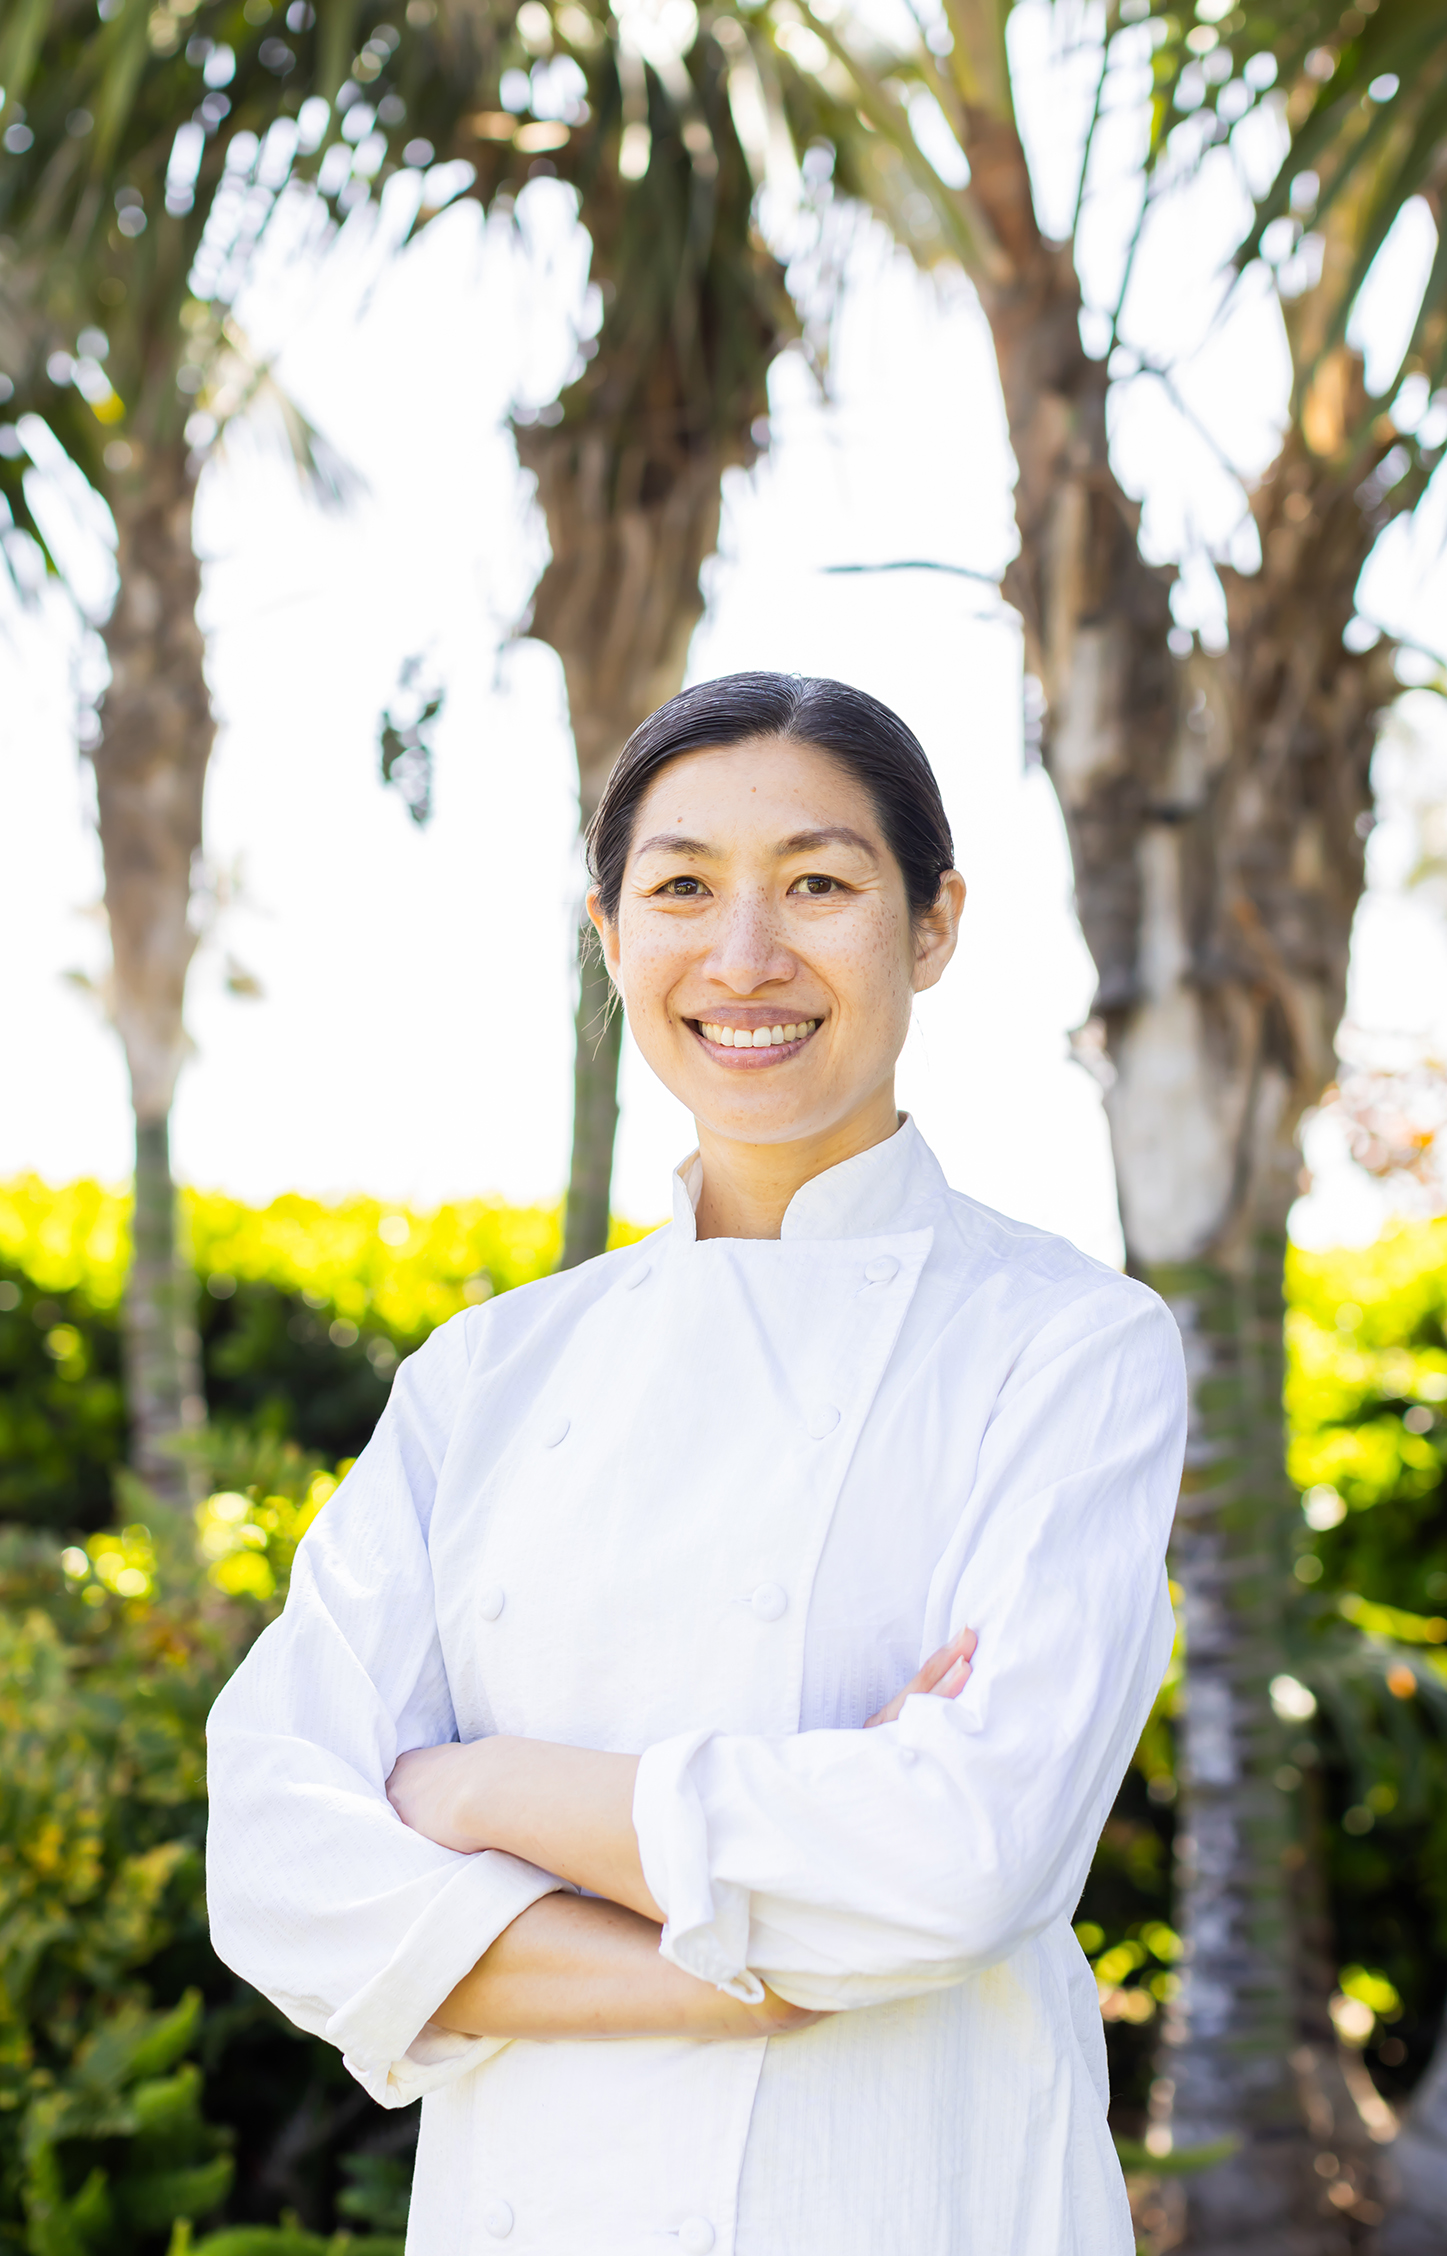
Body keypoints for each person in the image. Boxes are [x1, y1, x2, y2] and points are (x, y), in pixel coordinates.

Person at [206, 671, 1187, 2255]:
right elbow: (275, 1854)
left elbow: (960, 1854)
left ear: (932, 927)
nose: (746, 958)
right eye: (680, 889)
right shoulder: (488, 1376)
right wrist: (747, 1975)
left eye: (817, 883)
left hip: (907, 2199)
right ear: (609, 937)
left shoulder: (1068, 1346)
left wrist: (482, 1789)